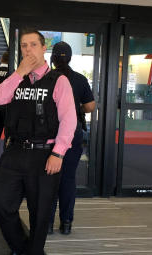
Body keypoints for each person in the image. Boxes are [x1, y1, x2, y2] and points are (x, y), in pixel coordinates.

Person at [0, 30, 76, 255]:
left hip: (44, 155)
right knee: (0, 202)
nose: (28, 50)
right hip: (15, 152)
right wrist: (18, 73)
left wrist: (58, 153)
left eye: (33, 45)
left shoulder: (58, 81)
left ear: (43, 48)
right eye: (24, 46)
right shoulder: (16, 79)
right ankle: (20, 247)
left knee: (40, 215)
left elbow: (69, 120)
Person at [47, 41, 95, 235]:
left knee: (49, 180)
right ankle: (66, 223)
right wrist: (77, 110)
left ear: (53, 59)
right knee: (68, 179)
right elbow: (90, 106)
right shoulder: (79, 79)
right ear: (71, 58)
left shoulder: (48, 78)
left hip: (51, 134)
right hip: (73, 134)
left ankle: (47, 224)